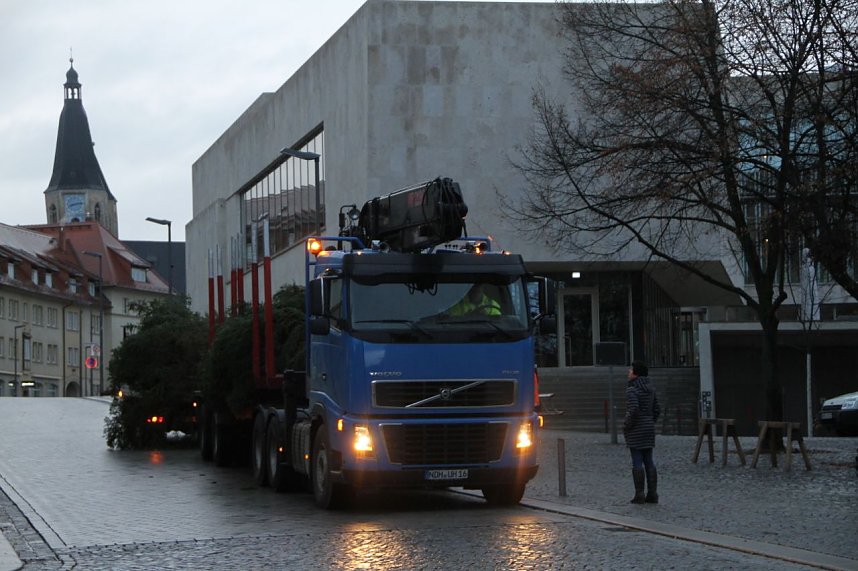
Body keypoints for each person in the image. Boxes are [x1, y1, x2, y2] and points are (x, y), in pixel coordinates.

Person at [623, 360, 661, 504]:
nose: (629, 372)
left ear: (636, 373)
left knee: (637, 461)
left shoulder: (632, 390)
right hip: (648, 427)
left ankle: (639, 494)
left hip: (636, 428)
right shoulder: (650, 389)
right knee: (649, 460)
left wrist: (627, 425)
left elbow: (634, 410)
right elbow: (657, 409)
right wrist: (650, 421)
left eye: (631, 370)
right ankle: (652, 493)